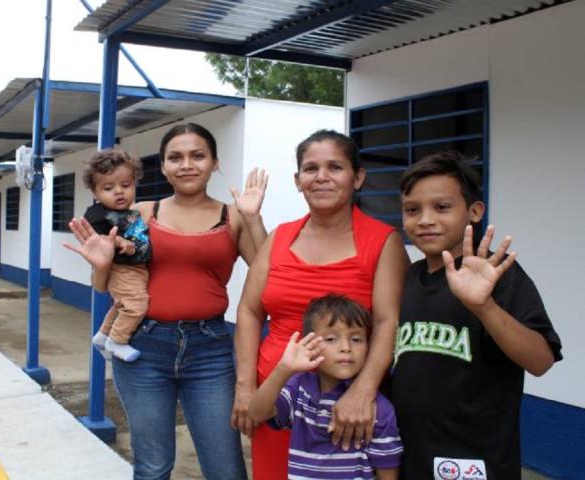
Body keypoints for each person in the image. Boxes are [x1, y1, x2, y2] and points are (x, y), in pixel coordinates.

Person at [67, 123, 268, 479]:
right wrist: (102, 266)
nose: (186, 164)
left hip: (211, 351)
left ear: (215, 162)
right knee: (153, 466)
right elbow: (104, 285)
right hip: (144, 348)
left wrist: (253, 218)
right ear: (162, 166)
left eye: (197, 155)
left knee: (225, 468)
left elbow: (267, 275)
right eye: (175, 157)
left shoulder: (233, 215)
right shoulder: (141, 213)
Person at [234, 129, 409, 480]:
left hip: (347, 406)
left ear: (358, 177)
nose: (322, 177)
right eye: (311, 169)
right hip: (278, 399)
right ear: (297, 180)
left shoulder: (383, 241)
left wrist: (363, 391)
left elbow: (389, 322)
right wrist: (245, 386)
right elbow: (250, 311)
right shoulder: (279, 238)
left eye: (335, 167)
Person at [392, 151, 562, 478]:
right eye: (412, 210)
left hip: (475, 465)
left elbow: (541, 361)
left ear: (474, 211)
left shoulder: (499, 276)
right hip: (411, 459)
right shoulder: (409, 278)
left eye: (442, 207)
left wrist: (484, 306)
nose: (425, 219)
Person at [249, 294, 402, 480]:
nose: (346, 347)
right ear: (310, 345)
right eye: (331, 339)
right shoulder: (300, 388)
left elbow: (388, 471)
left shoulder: (375, 408)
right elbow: (257, 414)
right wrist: (282, 370)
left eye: (356, 339)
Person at [76, 149, 152, 362]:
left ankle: (103, 335)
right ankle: (117, 341)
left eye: (126, 185)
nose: (119, 192)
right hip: (121, 268)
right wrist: (118, 241)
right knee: (136, 304)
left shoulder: (132, 212)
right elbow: (96, 237)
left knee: (122, 304)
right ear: (95, 193)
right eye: (108, 188)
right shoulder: (97, 213)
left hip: (137, 267)